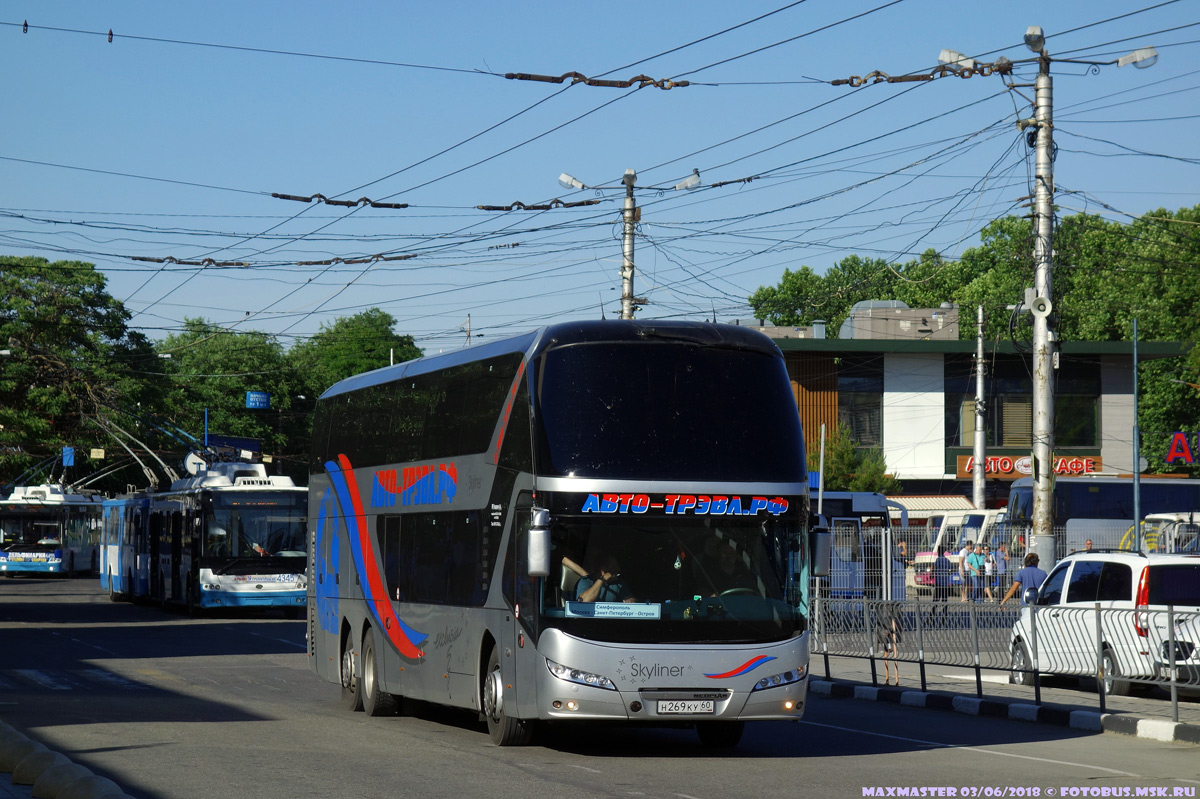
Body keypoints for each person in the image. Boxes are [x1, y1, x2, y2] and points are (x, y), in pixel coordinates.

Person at [562, 553, 633, 602]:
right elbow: (584, 601)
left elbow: (629, 598)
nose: (618, 570)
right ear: (602, 571)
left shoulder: (618, 583)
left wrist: (632, 601)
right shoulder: (585, 581)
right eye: (613, 568)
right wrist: (602, 580)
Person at [873, 601, 903, 686]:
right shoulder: (883, 619)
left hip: (891, 630)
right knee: (886, 645)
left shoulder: (893, 618)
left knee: (892, 650)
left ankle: (894, 681)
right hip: (886, 630)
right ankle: (887, 680)